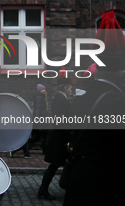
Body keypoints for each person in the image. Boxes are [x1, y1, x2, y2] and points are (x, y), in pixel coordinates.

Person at [64, 11, 125, 206]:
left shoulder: (81, 97)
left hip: (79, 186)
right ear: (121, 78)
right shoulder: (119, 104)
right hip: (105, 189)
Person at [38, 71, 72, 200]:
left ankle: (44, 189)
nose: (71, 90)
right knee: (54, 166)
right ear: (65, 87)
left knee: (55, 166)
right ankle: (43, 190)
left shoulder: (60, 98)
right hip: (59, 139)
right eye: (70, 88)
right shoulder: (59, 98)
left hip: (60, 139)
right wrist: (69, 135)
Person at [31, 83, 49, 154]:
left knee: (40, 135)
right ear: (39, 90)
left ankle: (45, 149)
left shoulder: (41, 97)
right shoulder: (39, 98)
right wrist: (37, 118)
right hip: (41, 119)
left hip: (42, 118)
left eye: (44, 89)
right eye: (42, 89)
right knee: (40, 135)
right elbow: (37, 109)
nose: (44, 90)